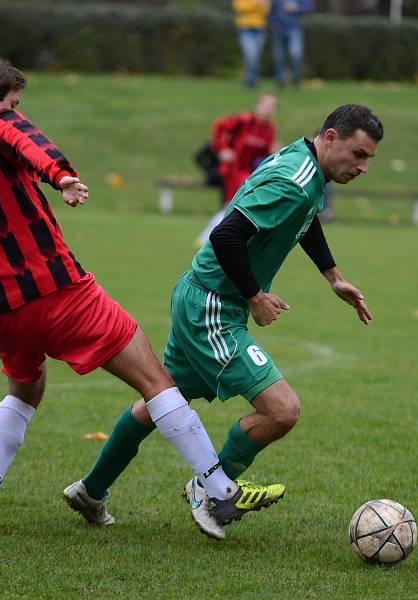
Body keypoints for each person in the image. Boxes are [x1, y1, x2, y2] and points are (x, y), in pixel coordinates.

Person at [0, 53, 282, 539]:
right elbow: (23, 137)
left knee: (25, 391)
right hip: (59, 292)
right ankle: (219, 489)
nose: (17, 112)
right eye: (12, 103)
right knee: (156, 382)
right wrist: (60, 173)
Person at [70, 104, 381, 539]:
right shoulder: (296, 180)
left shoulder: (304, 164)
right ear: (331, 137)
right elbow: (226, 233)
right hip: (214, 306)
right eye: (359, 154)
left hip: (201, 294)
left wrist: (335, 278)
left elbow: (303, 220)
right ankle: (212, 490)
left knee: (159, 401)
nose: (363, 166)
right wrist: (255, 296)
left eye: (369, 159)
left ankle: (91, 490)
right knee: (282, 409)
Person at [196, 93, 279, 246]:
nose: (268, 109)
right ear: (257, 105)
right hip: (232, 170)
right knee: (233, 205)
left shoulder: (270, 130)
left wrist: (273, 151)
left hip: (249, 174)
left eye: (272, 106)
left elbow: (262, 155)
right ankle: (210, 239)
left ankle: (211, 239)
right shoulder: (244, 121)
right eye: (265, 104)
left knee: (232, 206)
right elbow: (219, 126)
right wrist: (222, 150)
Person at [269, 0, 312, 87]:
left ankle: (296, 79)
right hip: (279, 29)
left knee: (296, 54)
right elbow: (271, 9)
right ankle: (280, 81)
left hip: (294, 28)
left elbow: (308, 6)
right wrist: (273, 23)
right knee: (279, 57)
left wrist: (297, 8)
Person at [232, 0, 270, 88]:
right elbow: (239, 7)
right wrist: (256, 4)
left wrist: (263, 5)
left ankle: (254, 80)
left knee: (256, 56)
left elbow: (266, 10)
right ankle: (250, 80)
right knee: (250, 54)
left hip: (260, 28)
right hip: (245, 28)